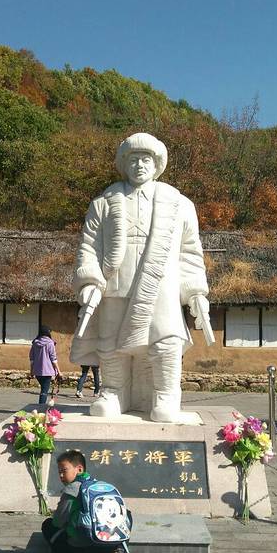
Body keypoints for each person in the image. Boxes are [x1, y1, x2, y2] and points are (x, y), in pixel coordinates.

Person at [69, 132, 212, 422]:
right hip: (115, 283)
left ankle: (166, 395)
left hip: (160, 286)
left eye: (146, 159)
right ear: (124, 164)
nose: (139, 165)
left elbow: (189, 252)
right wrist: (89, 280)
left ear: (157, 164)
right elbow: (89, 246)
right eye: (133, 159)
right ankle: (113, 391)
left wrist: (195, 290)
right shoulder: (103, 203)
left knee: (165, 340)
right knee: (111, 343)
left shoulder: (180, 205)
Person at [41, 449, 133, 553]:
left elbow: (58, 521)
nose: (61, 475)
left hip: (81, 552)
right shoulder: (101, 486)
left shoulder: (71, 490)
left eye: (64, 470)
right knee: (126, 513)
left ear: (79, 469)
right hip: (106, 550)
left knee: (48, 525)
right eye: (59, 472)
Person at [29, 325, 61, 405]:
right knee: (44, 390)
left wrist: (31, 371)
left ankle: (41, 406)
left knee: (43, 389)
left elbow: (32, 359)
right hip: (47, 371)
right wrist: (59, 371)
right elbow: (53, 359)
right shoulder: (50, 343)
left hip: (37, 371)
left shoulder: (35, 343)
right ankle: (41, 407)